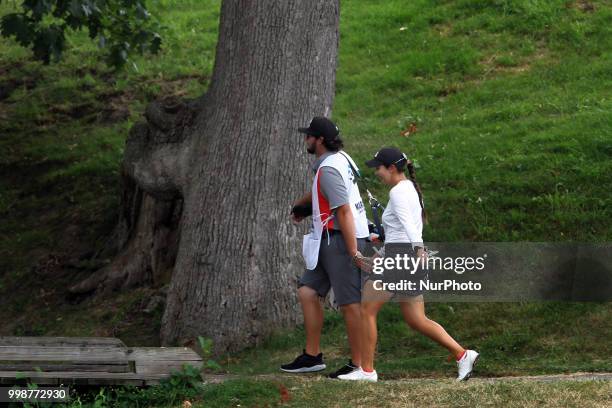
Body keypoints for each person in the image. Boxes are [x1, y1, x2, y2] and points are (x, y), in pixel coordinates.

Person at [338, 147, 479, 382]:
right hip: (403, 256)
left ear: (392, 168)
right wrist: (381, 254)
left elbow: (409, 226)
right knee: (416, 319)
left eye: (379, 168)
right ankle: (463, 355)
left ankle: (367, 370)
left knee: (367, 309)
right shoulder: (408, 189)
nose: (377, 173)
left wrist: (418, 249)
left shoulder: (398, 193)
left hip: (403, 258)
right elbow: (400, 230)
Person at [280, 117, 370, 378]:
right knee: (308, 291)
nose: (306, 139)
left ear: (319, 140)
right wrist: (301, 207)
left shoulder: (329, 168)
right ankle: (312, 356)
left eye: (309, 135)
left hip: (342, 239)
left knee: (350, 303)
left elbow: (342, 209)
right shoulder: (339, 159)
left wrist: (353, 251)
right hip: (328, 239)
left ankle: (359, 365)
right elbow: (324, 192)